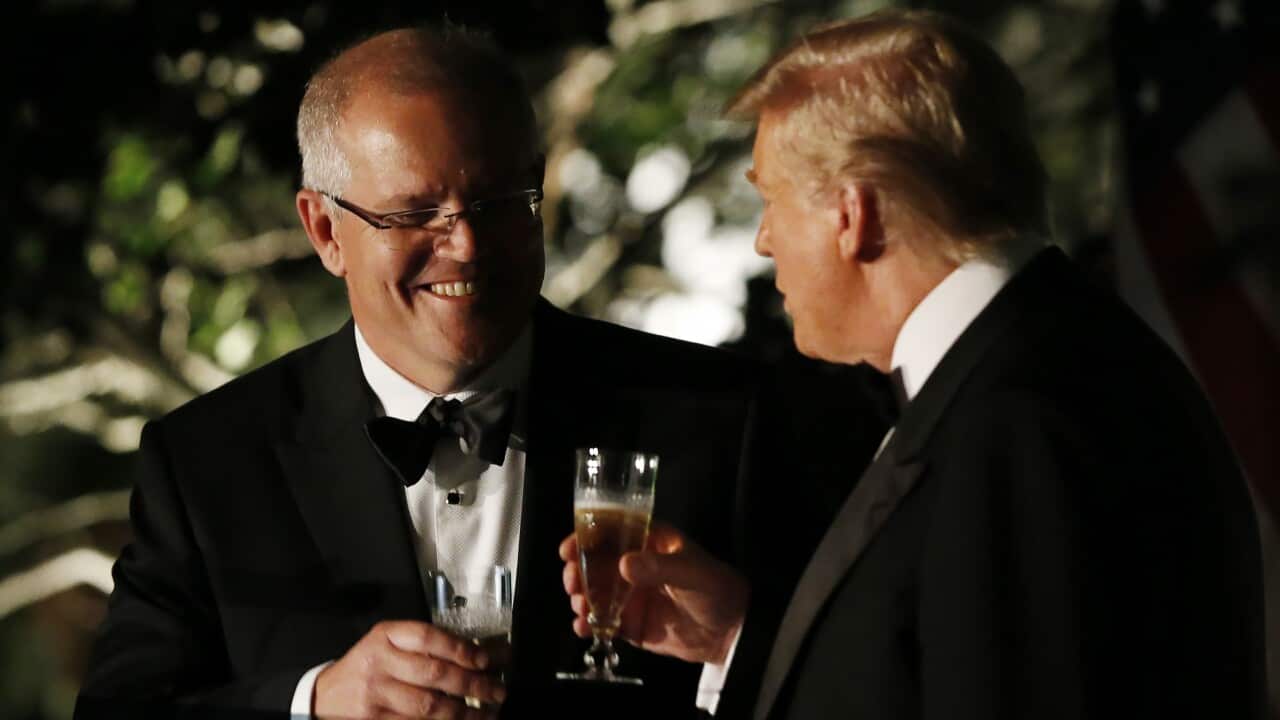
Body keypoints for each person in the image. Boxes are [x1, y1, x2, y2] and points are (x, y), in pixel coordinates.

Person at [561, 9, 1268, 719]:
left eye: (770, 199)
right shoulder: (1027, 367)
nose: (764, 241)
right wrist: (738, 640)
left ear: (851, 214)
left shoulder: (1017, 420)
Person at [75, 25, 758, 719]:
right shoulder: (205, 462)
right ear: (324, 231)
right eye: (412, 213)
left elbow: (843, 680)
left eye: (496, 202)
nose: (464, 245)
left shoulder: (721, 416)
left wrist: (737, 643)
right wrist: (316, 702)